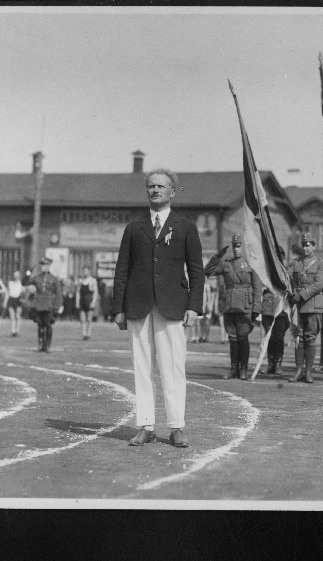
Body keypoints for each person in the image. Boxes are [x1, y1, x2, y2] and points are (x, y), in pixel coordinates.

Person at [112, 168, 204, 448]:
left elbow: (197, 271)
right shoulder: (134, 227)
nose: (155, 191)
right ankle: (146, 425)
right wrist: (119, 307)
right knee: (142, 367)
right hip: (138, 305)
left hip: (173, 306)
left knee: (173, 366)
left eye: (161, 187)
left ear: (172, 192)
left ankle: (176, 426)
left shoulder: (185, 226)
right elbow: (122, 270)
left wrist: (194, 307)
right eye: (151, 186)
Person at [205, 234, 262, 380]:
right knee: (232, 338)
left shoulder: (251, 263)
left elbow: (257, 287)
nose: (237, 249)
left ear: (243, 247)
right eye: (235, 246)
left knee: (243, 337)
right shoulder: (226, 263)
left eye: (239, 246)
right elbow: (208, 272)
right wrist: (217, 257)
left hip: (245, 306)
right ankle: (233, 369)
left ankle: (243, 369)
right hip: (229, 304)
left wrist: (256, 309)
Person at [287, 233, 323, 384]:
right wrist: (292, 294)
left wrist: (301, 295)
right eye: (304, 244)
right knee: (299, 337)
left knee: (310, 338)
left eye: (309, 244)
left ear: (314, 246)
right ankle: (298, 370)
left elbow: (319, 284)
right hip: (298, 304)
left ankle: (308, 371)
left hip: (313, 304)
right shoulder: (296, 263)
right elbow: (287, 278)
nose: (306, 247)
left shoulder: (320, 263)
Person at [260, 247, 290, 376]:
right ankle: (270, 363)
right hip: (268, 308)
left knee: (279, 337)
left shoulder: (287, 272)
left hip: (281, 309)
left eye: (279, 257)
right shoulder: (266, 272)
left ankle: (278, 364)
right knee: (269, 337)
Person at [30, 257, 63, 352]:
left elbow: (58, 294)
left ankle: (47, 346)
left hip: (49, 306)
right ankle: (40, 346)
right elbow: (25, 282)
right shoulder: (37, 277)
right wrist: (30, 271)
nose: (43, 267)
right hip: (38, 305)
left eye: (46, 265)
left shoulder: (54, 279)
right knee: (40, 324)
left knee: (48, 325)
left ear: (49, 266)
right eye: (42, 265)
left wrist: (56, 307)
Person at [75, 266, 99, 340]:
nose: (85, 272)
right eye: (84, 271)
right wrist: (77, 302)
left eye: (86, 271)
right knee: (82, 319)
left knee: (89, 319)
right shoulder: (80, 281)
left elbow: (95, 292)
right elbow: (78, 292)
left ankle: (88, 334)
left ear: (89, 272)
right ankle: (84, 334)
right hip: (82, 301)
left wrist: (93, 302)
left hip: (89, 301)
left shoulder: (93, 281)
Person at [7, 269, 24, 337]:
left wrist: (23, 298)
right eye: (15, 275)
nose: (16, 276)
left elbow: (24, 292)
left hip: (18, 299)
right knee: (12, 316)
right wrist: (5, 302)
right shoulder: (10, 282)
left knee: (17, 316)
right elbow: (7, 292)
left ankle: (17, 330)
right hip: (11, 299)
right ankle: (13, 330)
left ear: (19, 276)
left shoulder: (21, 283)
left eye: (17, 275)